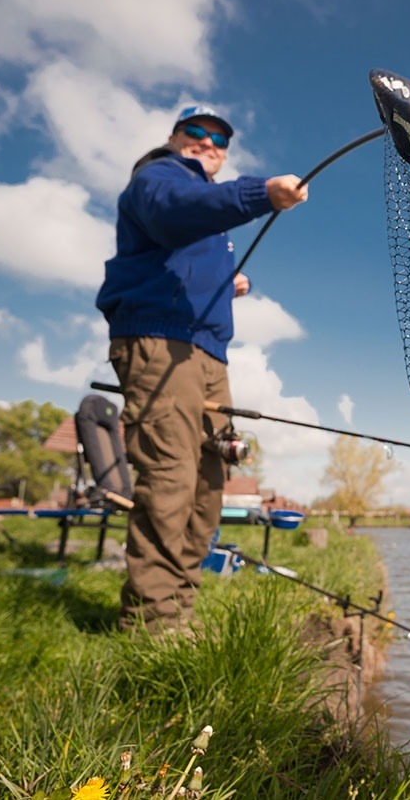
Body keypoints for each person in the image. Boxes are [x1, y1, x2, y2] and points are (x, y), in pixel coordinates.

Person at [95, 104, 307, 634]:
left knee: (211, 481)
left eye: (219, 139)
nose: (208, 143)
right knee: (170, 477)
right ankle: (151, 624)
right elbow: (174, 214)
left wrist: (234, 284)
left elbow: (190, 251)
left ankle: (180, 608)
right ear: (174, 136)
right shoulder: (159, 176)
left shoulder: (205, 207)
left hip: (209, 354)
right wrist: (259, 194)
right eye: (197, 132)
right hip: (160, 345)